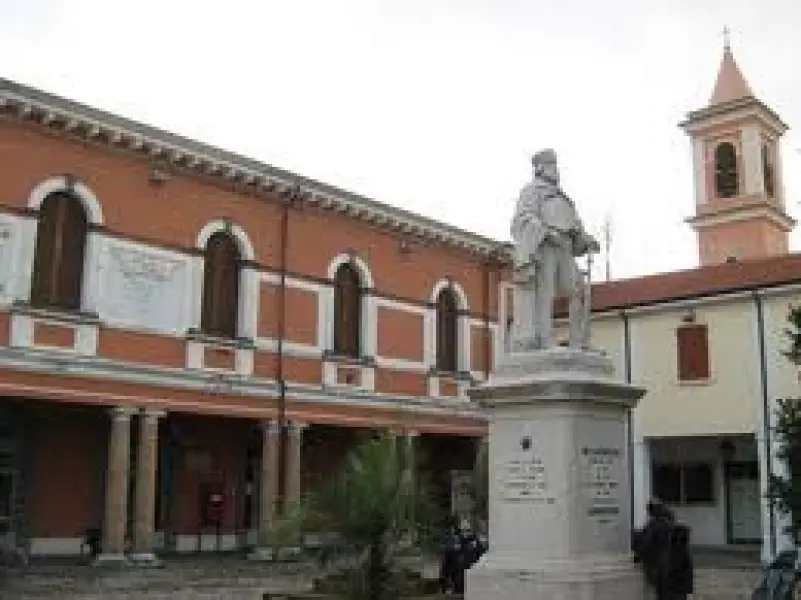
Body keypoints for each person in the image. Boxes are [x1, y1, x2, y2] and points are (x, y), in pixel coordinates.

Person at [510, 149, 599, 350]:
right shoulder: (532, 191)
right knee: (545, 293)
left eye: (556, 166)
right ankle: (545, 339)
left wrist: (585, 239)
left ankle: (579, 342)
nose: (556, 170)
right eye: (552, 166)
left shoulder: (563, 197)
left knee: (578, 291)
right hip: (546, 245)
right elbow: (523, 218)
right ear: (541, 168)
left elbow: (575, 224)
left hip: (566, 247)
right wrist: (545, 232)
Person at [633, 499, 694, 599]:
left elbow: (643, 545)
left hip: (658, 571)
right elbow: (687, 564)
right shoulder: (673, 528)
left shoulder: (653, 527)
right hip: (673, 578)